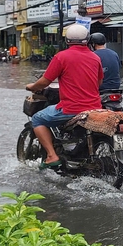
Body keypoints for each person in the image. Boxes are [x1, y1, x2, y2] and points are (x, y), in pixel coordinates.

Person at [25, 24, 103, 170]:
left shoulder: (61, 57)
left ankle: (51, 155)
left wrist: (32, 87)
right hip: (95, 108)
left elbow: (45, 81)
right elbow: (99, 82)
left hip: (71, 109)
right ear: (87, 40)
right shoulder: (95, 58)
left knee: (37, 118)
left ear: (67, 40)